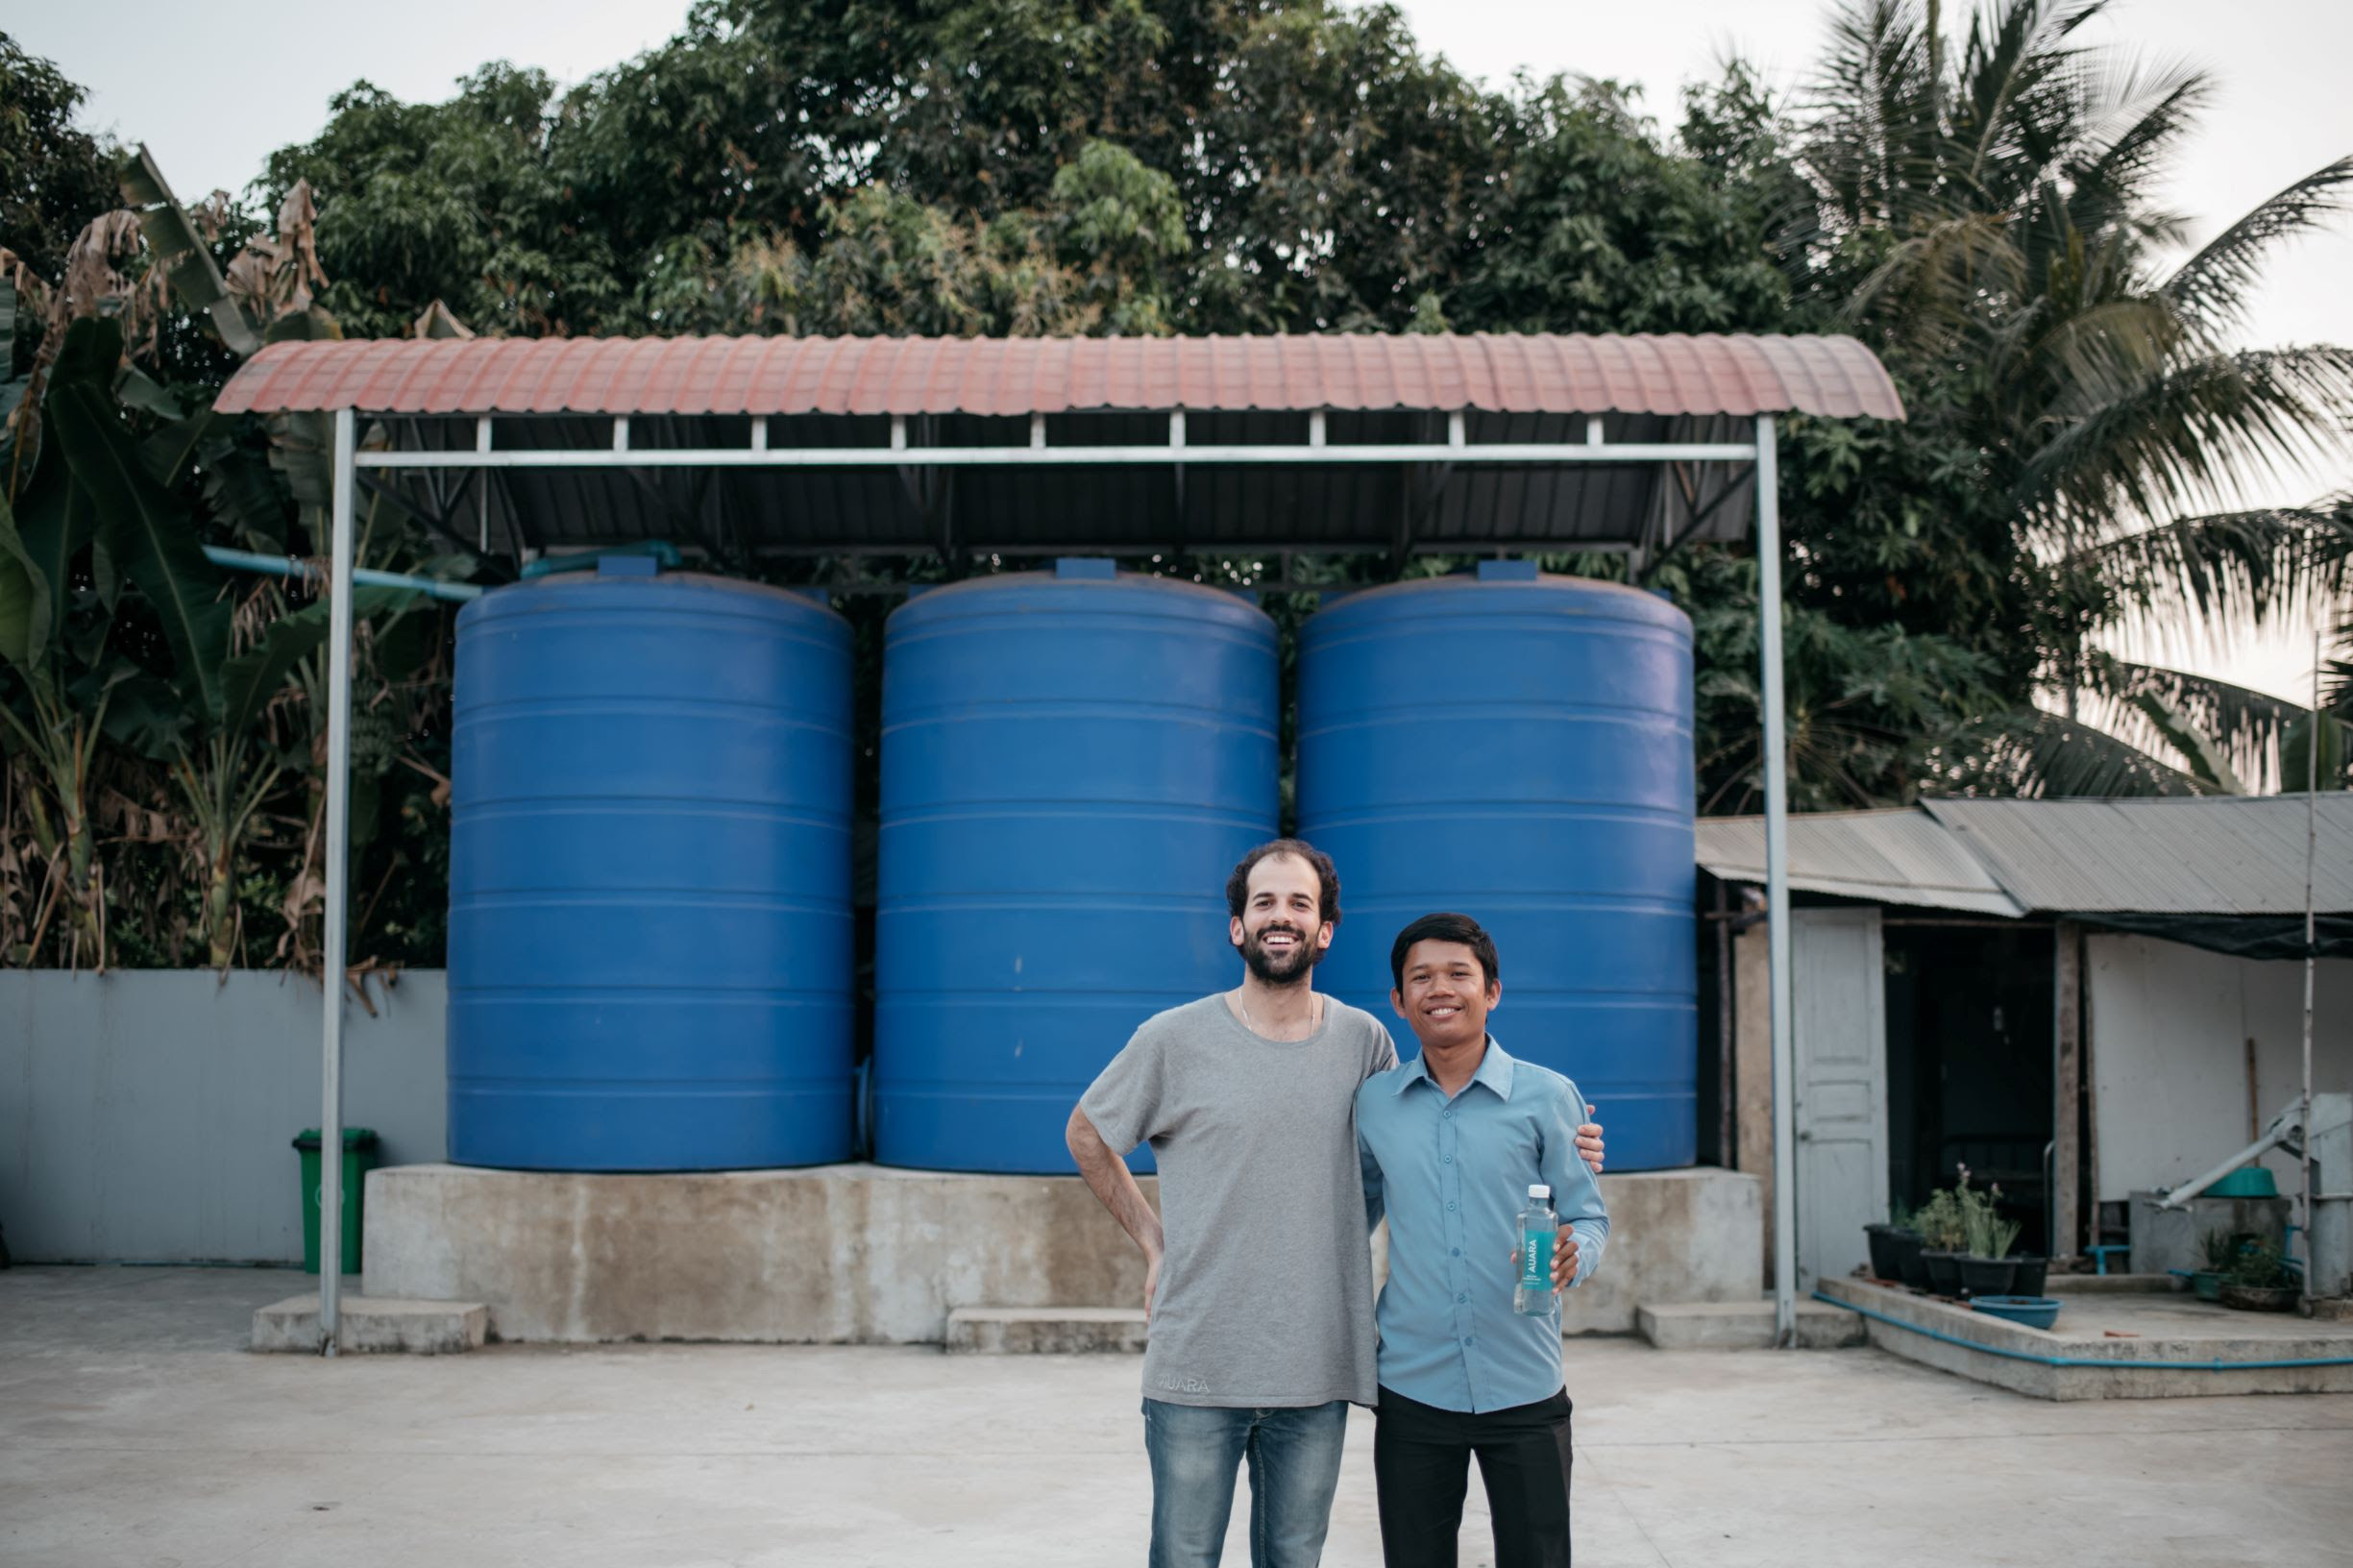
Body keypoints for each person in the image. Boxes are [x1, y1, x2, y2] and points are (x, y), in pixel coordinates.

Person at [1066, 840, 1605, 1568]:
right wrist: (1154, 1240)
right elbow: (1088, 1134)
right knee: (1185, 1555)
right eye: (1263, 902)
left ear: (1324, 930)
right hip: (1199, 1359)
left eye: (1299, 904)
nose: (1279, 917)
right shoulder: (1173, 1039)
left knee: (1295, 1555)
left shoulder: (1364, 1045)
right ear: (1236, 926)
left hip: (1319, 1367)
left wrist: (1571, 1147)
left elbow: (1399, 1159)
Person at [1356, 912, 1608, 1568]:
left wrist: (1572, 1254)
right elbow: (1348, 1211)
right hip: (1412, 1387)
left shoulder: (1549, 1097)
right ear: (1398, 1001)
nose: (1440, 989)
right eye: (1421, 978)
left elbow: (1588, 1216)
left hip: (1523, 1383)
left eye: (1457, 974)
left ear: (1490, 991)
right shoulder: (1373, 1104)